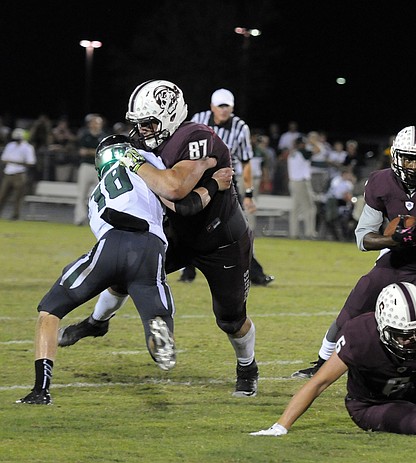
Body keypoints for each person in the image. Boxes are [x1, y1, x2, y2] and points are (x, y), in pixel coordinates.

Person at [56, 80, 260, 397]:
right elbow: (171, 198)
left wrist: (134, 162)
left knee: (231, 320)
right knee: (125, 272)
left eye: (149, 122)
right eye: (138, 123)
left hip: (222, 240)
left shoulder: (196, 137)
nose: (143, 130)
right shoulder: (149, 140)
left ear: (170, 115)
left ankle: (247, 367)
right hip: (177, 233)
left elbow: (176, 191)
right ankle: (97, 322)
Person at [16, 135, 231, 405]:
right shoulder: (150, 165)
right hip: (149, 249)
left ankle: (41, 389)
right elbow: (185, 204)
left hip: (111, 244)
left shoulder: (96, 196)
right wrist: (213, 180)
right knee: (156, 315)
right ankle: (157, 333)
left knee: (50, 310)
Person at [290, 125, 416, 378]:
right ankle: (322, 363)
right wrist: (396, 240)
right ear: (396, 156)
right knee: (354, 307)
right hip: (392, 263)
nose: (414, 166)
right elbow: (363, 238)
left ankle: (406, 369)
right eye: (408, 158)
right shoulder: (381, 181)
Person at [252, 282, 416, 437]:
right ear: (382, 327)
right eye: (403, 335)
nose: (411, 341)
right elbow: (319, 383)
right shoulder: (361, 336)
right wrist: (281, 426)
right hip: (369, 403)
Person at [181, 88, 275, 286]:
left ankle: (255, 273)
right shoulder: (199, 119)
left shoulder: (240, 127)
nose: (224, 110)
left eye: (227, 106)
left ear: (232, 107)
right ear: (212, 107)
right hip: (198, 181)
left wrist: (249, 193)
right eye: (220, 106)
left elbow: (246, 161)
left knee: (238, 228)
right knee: (186, 223)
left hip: (225, 184)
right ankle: (186, 269)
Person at [74, 114, 110, 225]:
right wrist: (95, 152)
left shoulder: (104, 136)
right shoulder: (84, 135)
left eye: (98, 123)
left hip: (99, 168)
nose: (97, 125)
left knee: (101, 194)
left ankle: (100, 219)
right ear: (90, 124)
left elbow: (104, 152)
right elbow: (81, 151)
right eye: (95, 122)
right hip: (85, 166)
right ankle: (79, 218)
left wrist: (90, 152)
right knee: (81, 194)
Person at [0, 128, 36, 220]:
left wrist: (15, 162)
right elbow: (3, 159)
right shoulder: (10, 145)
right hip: (8, 173)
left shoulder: (28, 147)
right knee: (2, 195)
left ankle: (15, 216)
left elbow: (31, 162)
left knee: (18, 197)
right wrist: (13, 162)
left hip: (19, 174)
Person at [287, 136, 318, 239]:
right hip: (301, 183)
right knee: (309, 208)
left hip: (293, 182)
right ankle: (309, 233)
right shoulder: (302, 152)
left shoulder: (292, 153)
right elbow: (318, 150)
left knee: (295, 209)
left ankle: (293, 233)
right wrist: (313, 142)